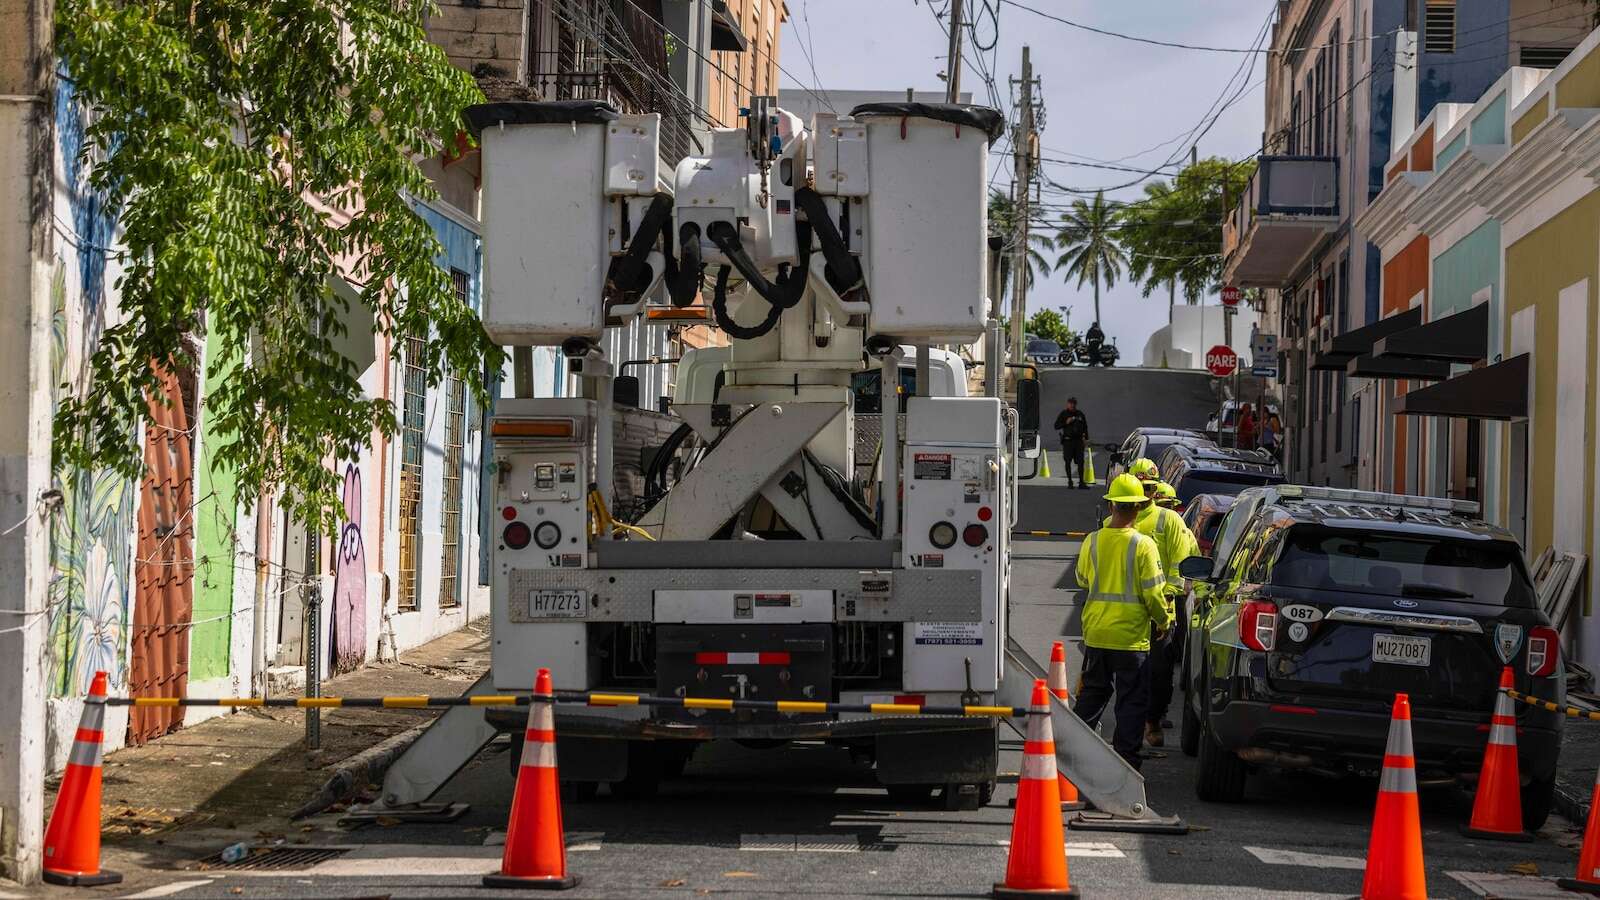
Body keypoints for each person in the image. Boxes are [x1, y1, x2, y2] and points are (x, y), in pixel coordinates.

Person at [1075, 474, 1174, 770]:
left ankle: (1073, 755)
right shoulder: (1143, 546)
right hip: (1131, 638)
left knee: (1092, 695)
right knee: (1131, 701)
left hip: (1096, 633)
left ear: (1111, 507)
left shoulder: (1092, 541)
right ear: (1141, 508)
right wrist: (1164, 620)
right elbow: (1154, 594)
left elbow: (1082, 579)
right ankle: (1125, 762)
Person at [1145, 480, 1200, 746]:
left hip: (1171, 602)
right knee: (1139, 669)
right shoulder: (1125, 524)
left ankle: (1156, 716)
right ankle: (1146, 720)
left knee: (1163, 666)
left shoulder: (1180, 529)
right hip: (1144, 606)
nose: (1167, 509)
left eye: (1170, 505)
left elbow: (1190, 564)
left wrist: (1177, 593)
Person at [1053, 397, 1090, 489]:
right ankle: (1070, 481)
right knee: (1068, 461)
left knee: (1081, 462)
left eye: (1073, 404)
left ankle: (1081, 482)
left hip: (1078, 441)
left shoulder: (1080, 414)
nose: (1072, 405)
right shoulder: (1064, 414)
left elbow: (1085, 426)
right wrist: (1066, 423)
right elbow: (1056, 426)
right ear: (1067, 404)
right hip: (1068, 441)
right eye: (1070, 404)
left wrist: (1086, 438)